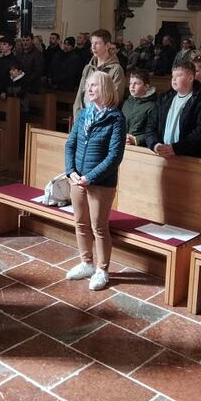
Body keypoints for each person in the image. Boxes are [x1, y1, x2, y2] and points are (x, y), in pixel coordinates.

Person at [63, 71, 126, 291]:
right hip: (77, 179)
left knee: (99, 227)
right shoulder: (83, 114)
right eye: (88, 85)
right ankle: (86, 263)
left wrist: (90, 177)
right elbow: (70, 144)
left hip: (100, 182)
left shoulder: (116, 118)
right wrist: (70, 171)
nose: (89, 89)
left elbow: (114, 156)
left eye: (94, 85)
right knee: (80, 223)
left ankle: (102, 270)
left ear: (106, 88)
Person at [145, 60, 201, 159]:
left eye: (178, 76)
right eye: (173, 76)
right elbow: (151, 125)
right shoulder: (164, 99)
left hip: (188, 158)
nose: (174, 79)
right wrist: (155, 144)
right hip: (162, 155)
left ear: (190, 78)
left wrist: (176, 148)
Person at [73, 29, 126, 115]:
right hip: (84, 115)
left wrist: (100, 117)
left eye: (97, 43)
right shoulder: (88, 68)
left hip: (103, 116)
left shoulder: (116, 69)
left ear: (107, 45)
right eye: (92, 43)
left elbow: (116, 98)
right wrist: (77, 116)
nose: (93, 47)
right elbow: (80, 96)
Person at [121, 69, 157, 146]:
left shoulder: (152, 106)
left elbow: (154, 131)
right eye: (130, 83)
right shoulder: (126, 103)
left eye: (136, 83)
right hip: (123, 143)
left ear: (146, 87)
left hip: (140, 146)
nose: (132, 86)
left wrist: (136, 139)